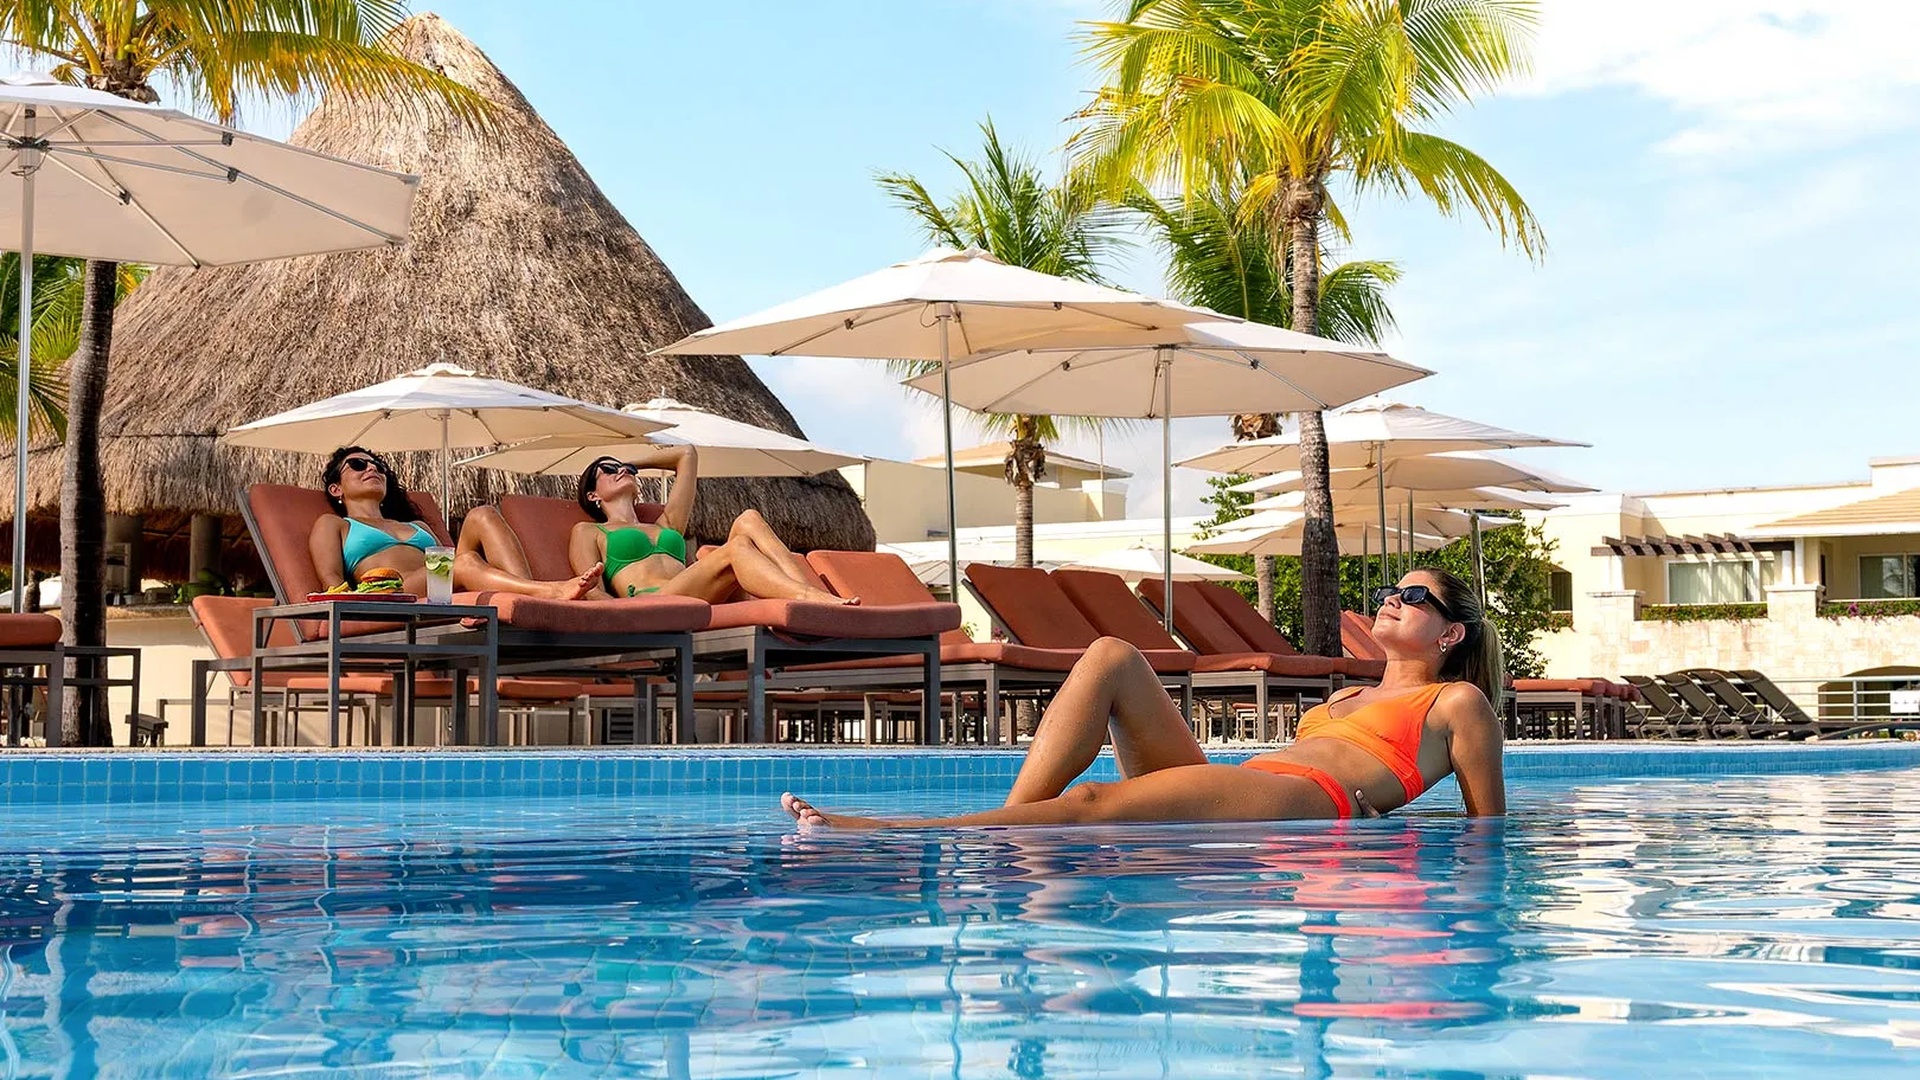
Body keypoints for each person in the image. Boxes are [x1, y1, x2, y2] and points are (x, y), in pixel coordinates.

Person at [781, 568, 1504, 829]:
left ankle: (892, 832)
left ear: (1450, 635)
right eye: (1389, 591)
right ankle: (1010, 824)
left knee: (1093, 804)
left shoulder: (1458, 705)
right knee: (1110, 658)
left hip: (1315, 800)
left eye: (1413, 597)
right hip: (1251, 784)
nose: (1391, 599)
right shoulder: (1346, 691)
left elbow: (1487, 833)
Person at [570, 447, 856, 605]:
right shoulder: (589, 531)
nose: (619, 471)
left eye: (622, 468)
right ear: (592, 495)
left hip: (695, 592)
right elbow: (591, 588)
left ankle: (803, 592)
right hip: (651, 601)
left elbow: (687, 454)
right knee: (737, 548)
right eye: (607, 470)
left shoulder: (665, 525)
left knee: (748, 519)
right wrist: (620, 616)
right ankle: (808, 599)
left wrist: (629, 463)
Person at [309, 446, 601, 600]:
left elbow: (443, 569)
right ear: (336, 489)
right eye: (359, 465)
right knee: (465, 564)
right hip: (395, 591)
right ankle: (546, 592)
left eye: (378, 466)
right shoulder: (335, 525)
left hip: (438, 588)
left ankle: (528, 598)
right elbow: (332, 583)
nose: (372, 468)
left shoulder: (419, 526)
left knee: (482, 514)